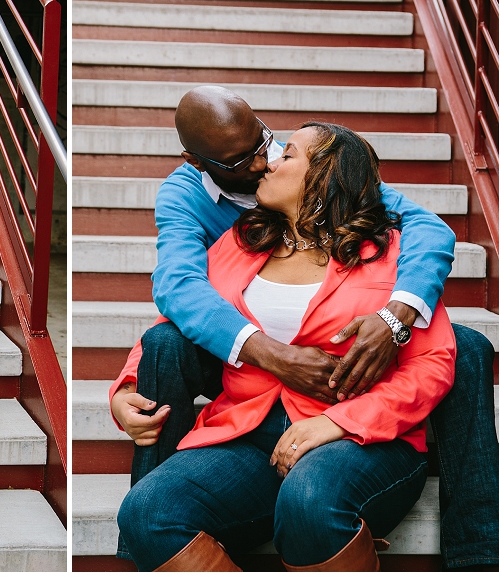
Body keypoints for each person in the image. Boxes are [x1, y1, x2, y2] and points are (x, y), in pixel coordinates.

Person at [110, 86, 498, 569]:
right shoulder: (234, 234)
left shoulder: (384, 243)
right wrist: (125, 387)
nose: (264, 163)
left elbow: (433, 240)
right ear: (197, 160)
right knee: (148, 507)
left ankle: (479, 558)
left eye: (274, 148)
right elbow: (177, 299)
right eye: (242, 160)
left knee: (469, 349)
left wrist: (396, 317)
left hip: (352, 415)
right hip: (252, 404)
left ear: (323, 176)